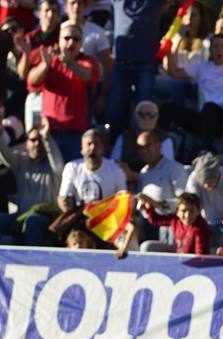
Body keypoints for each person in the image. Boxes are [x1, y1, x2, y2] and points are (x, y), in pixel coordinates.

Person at [25, 21, 99, 162]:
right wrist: (45, 65)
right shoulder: (50, 61)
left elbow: (89, 76)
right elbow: (31, 82)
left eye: (76, 39)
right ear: (59, 41)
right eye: (66, 38)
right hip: (48, 134)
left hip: (75, 136)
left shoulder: (87, 61)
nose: (71, 42)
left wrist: (69, 63)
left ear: (81, 43)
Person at [0, 120, 63, 245]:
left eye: (40, 140)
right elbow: (5, 154)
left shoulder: (53, 167)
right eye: (33, 140)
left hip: (47, 216)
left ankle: (33, 262)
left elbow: (58, 164)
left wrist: (46, 137)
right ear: (26, 143)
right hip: (21, 215)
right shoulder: (21, 164)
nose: (37, 144)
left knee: (33, 221)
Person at [106, 0, 164, 135]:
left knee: (145, 113)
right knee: (115, 111)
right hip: (120, 64)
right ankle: (118, 147)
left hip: (146, 65)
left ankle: (144, 148)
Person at [57, 127, 124, 212]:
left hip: (108, 217)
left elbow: (123, 198)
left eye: (96, 144)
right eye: (89, 144)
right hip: (81, 216)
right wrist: (64, 203)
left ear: (103, 149)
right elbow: (63, 197)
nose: (92, 147)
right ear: (82, 149)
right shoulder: (71, 167)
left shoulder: (116, 168)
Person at [140, 191, 212, 255]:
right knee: (146, 246)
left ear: (198, 211)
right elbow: (155, 220)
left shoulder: (201, 227)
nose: (187, 215)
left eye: (192, 211)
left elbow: (201, 255)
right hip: (177, 252)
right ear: (177, 212)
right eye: (184, 211)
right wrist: (149, 208)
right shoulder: (175, 220)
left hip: (191, 259)